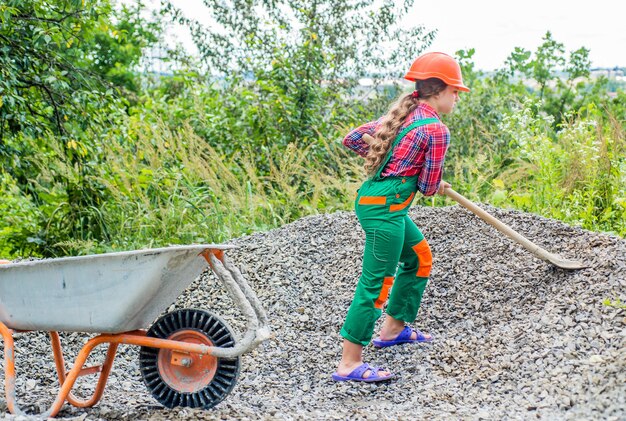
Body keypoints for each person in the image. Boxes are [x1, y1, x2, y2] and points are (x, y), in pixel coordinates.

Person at [332, 52, 470, 382]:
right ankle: (349, 363)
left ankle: (393, 329)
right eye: (455, 91)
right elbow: (427, 186)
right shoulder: (436, 130)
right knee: (376, 283)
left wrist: (385, 155)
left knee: (419, 257)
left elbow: (351, 137)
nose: (456, 98)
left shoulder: (400, 115)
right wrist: (428, 178)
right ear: (439, 91)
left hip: (378, 202)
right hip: (386, 211)